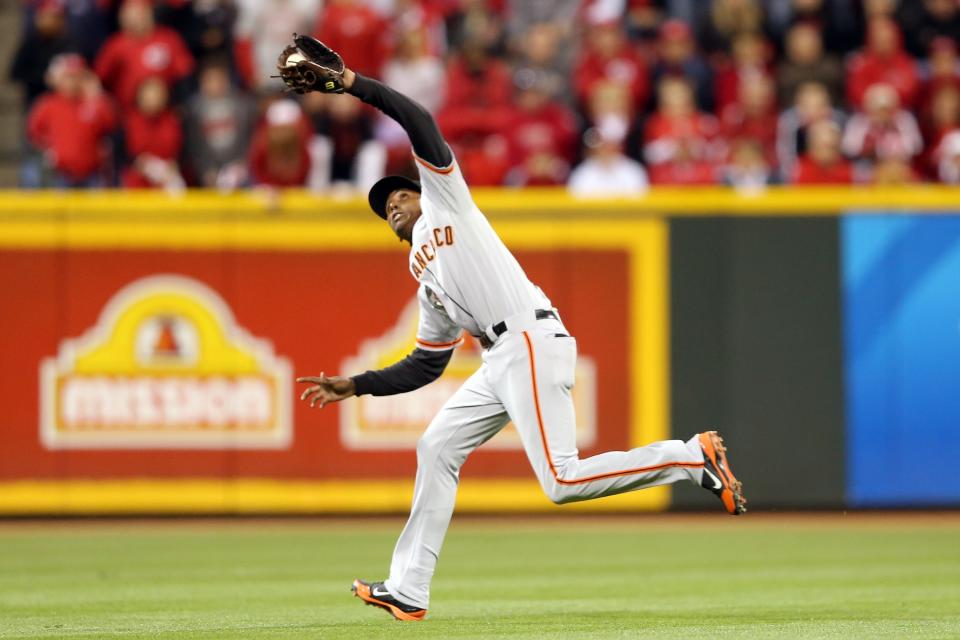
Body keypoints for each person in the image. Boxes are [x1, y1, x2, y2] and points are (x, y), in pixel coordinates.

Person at [288, 36, 747, 622]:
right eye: (384, 208)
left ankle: (689, 458)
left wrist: (353, 85)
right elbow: (426, 363)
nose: (393, 206)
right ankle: (408, 589)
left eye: (398, 194)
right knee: (436, 447)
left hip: (528, 339)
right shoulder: (424, 275)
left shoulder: (446, 202)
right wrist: (357, 385)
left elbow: (419, 118)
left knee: (561, 481)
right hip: (500, 358)